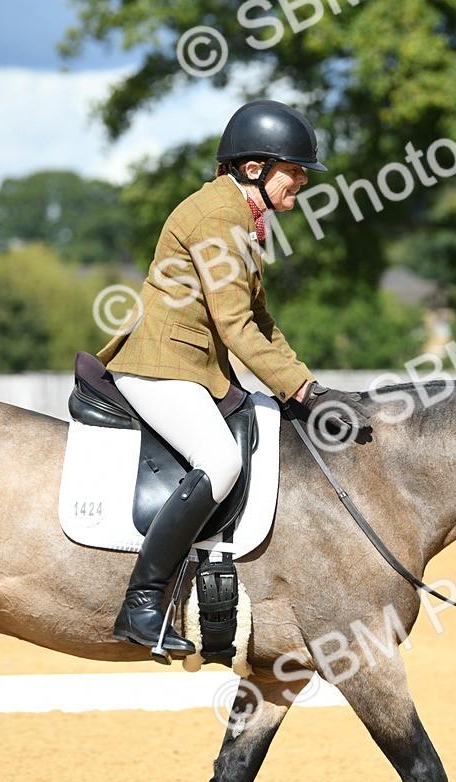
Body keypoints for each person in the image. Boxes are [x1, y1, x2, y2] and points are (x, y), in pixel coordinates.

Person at [96, 99, 370, 656]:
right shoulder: (217, 215)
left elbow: (262, 320)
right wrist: (296, 388)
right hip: (160, 366)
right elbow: (236, 324)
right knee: (219, 460)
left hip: (194, 368)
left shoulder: (242, 215)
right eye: (294, 170)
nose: (301, 182)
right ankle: (141, 604)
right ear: (254, 169)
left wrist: (307, 385)